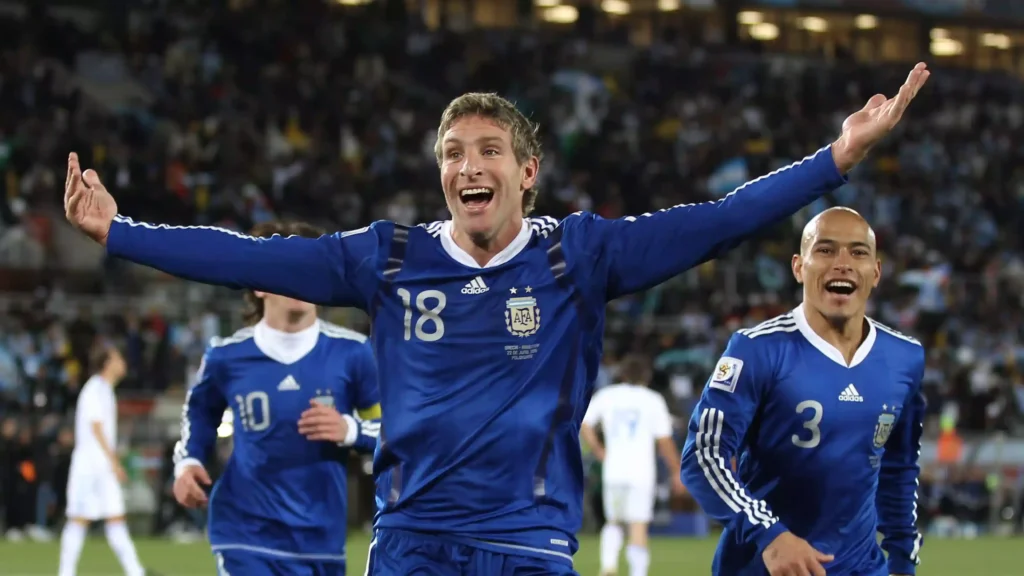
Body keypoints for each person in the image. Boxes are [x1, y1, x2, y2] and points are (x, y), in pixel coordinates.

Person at [64, 64, 930, 575]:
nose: (467, 167)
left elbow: (716, 220)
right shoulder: (388, 258)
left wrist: (836, 158)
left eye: (487, 152)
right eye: (452, 154)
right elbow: (247, 257)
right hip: (411, 543)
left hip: (531, 547)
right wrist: (121, 232)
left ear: (528, 171)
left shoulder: (578, 255)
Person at [680, 207, 925, 576]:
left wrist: (904, 561)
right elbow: (703, 457)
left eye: (858, 252)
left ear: (875, 272)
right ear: (799, 267)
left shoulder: (905, 358)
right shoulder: (756, 349)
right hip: (763, 566)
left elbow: (899, 468)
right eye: (825, 250)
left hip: (861, 568)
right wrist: (770, 535)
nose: (843, 263)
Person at [170, 221, 382, 576]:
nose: (299, 279)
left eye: (309, 269)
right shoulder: (226, 356)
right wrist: (189, 460)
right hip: (245, 533)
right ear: (258, 283)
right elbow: (200, 413)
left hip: (321, 538)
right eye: (286, 268)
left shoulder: (355, 354)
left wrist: (350, 430)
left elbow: (393, 431)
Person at [580, 354, 685, 576]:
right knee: (638, 524)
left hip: (614, 469)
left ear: (622, 374)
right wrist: (676, 471)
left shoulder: (607, 396)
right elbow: (665, 441)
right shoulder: (652, 399)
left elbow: (585, 424)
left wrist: (599, 450)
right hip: (641, 472)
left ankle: (608, 566)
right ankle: (637, 573)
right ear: (646, 376)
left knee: (614, 521)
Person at [59, 346, 147, 576]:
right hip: (89, 466)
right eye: (118, 358)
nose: (122, 363)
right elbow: (96, 427)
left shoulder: (105, 389)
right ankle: (65, 572)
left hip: (101, 466)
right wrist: (114, 460)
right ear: (107, 363)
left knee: (115, 517)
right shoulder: (95, 389)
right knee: (79, 519)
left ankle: (135, 571)